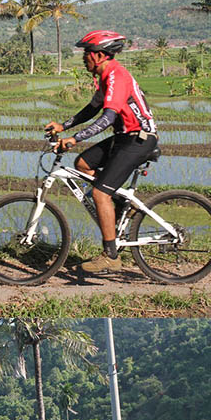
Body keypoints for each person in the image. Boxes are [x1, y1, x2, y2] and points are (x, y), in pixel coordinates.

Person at [45, 29, 159, 274]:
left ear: (98, 55)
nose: (84, 58)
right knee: (83, 164)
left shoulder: (117, 75)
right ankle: (122, 204)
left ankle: (111, 256)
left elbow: (108, 118)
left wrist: (74, 138)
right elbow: (92, 109)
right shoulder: (106, 78)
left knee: (98, 193)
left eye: (86, 53)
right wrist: (63, 125)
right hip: (124, 138)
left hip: (139, 140)